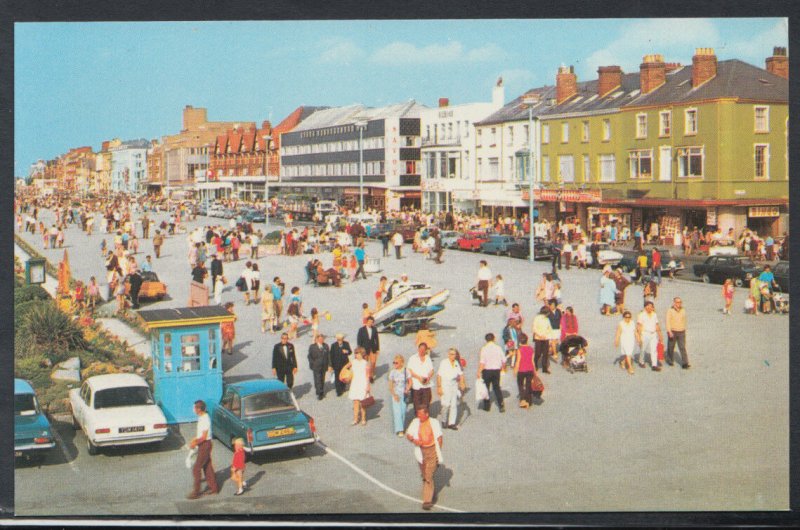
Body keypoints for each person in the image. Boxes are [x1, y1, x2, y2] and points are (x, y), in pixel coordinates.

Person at [405, 407, 444, 511]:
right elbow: (408, 434)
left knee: (428, 475)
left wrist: (437, 454)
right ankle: (430, 490)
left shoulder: (434, 423)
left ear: (426, 414)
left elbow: (440, 438)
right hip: (420, 452)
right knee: (425, 475)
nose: (419, 416)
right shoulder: (415, 422)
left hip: (432, 451)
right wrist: (414, 440)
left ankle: (427, 500)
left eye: (421, 414)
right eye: (418, 414)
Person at [187, 400, 219, 499]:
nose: (193, 410)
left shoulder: (205, 419)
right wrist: (195, 439)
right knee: (207, 467)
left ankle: (196, 492)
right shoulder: (201, 417)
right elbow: (200, 434)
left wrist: (195, 443)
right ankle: (214, 489)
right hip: (203, 444)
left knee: (196, 468)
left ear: (199, 409)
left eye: (194, 408)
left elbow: (204, 436)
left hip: (205, 444)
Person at [437, 348, 465, 430]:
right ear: (448, 354)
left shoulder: (456, 363)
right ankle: (444, 420)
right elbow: (439, 375)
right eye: (452, 354)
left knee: (454, 404)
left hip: (454, 385)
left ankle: (451, 423)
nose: (453, 356)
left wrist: (462, 383)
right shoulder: (444, 362)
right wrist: (439, 387)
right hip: (445, 384)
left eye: (454, 354)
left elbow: (461, 374)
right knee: (446, 404)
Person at [477, 333, 505, 412]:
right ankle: (501, 405)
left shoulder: (484, 349)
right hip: (496, 370)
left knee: (486, 388)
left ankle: (487, 406)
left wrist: (479, 371)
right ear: (494, 339)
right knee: (497, 388)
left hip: (487, 371)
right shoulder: (498, 348)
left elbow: (482, 362)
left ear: (486, 340)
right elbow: (504, 360)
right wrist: (502, 368)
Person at [345, 347, 371, 426]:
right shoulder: (353, 362)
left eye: (358, 353)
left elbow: (368, 375)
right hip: (355, 383)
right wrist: (347, 376)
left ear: (362, 354)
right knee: (355, 402)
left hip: (362, 383)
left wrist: (368, 386)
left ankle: (363, 418)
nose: (356, 355)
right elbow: (345, 368)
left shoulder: (365, 363)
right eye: (355, 353)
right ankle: (355, 419)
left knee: (363, 402)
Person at [636, 301, 664, 371]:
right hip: (645, 334)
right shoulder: (641, 315)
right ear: (645, 307)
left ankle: (654, 365)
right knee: (643, 349)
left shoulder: (654, 314)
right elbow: (639, 326)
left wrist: (660, 335)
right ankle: (641, 361)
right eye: (648, 306)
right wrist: (639, 338)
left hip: (653, 334)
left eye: (651, 306)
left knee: (654, 350)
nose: (650, 308)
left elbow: (656, 325)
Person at [407, 343, 434, 412]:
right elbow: (409, 371)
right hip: (416, 386)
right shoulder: (412, 358)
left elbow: (432, 370)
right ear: (418, 349)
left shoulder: (428, 358)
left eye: (423, 349)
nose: (421, 351)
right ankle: (418, 420)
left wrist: (429, 377)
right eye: (420, 349)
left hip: (426, 385)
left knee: (426, 404)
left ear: (426, 350)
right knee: (417, 405)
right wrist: (418, 377)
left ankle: (425, 420)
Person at [388, 355, 411, 436]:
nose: (395, 364)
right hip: (396, 393)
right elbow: (390, 385)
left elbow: (410, 382)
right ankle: (399, 430)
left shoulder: (406, 371)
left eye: (396, 363)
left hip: (404, 394)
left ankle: (402, 426)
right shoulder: (392, 372)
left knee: (403, 411)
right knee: (397, 412)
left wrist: (407, 389)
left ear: (401, 363)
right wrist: (394, 394)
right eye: (394, 362)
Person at [665, 297, 690, 369]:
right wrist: (669, 331)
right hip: (673, 331)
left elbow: (684, 320)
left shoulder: (683, 310)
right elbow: (667, 321)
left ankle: (685, 363)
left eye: (680, 302)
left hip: (681, 331)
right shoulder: (670, 311)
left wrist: (683, 328)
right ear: (674, 303)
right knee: (671, 346)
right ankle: (670, 360)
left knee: (682, 347)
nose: (679, 304)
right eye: (677, 302)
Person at [308, 333, 332, 400]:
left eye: (322, 339)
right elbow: (309, 356)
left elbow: (329, 356)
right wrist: (312, 364)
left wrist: (330, 365)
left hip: (324, 365)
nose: (321, 340)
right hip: (316, 366)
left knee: (322, 379)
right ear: (317, 339)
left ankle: (320, 389)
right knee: (317, 379)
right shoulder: (312, 346)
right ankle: (320, 393)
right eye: (320, 339)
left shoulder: (326, 346)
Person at [357, 316, 380, 383]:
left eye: (372, 322)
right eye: (369, 322)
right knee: (365, 363)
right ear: (367, 322)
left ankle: (371, 376)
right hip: (364, 349)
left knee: (373, 362)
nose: (370, 323)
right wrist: (360, 350)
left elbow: (377, 339)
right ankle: (365, 376)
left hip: (373, 348)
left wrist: (378, 349)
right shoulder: (361, 330)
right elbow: (359, 340)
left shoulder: (374, 329)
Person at [514, 334, 536, 407]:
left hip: (521, 370)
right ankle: (529, 401)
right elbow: (533, 361)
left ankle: (523, 400)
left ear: (520, 342)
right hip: (530, 369)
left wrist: (515, 370)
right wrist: (535, 371)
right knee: (528, 385)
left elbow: (518, 361)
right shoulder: (531, 349)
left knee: (520, 385)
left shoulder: (520, 350)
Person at [532, 306, 553, 374]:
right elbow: (534, 328)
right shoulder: (537, 318)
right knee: (538, 353)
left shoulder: (547, 319)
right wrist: (540, 335)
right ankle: (535, 365)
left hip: (546, 338)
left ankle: (545, 368)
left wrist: (548, 337)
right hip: (538, 338)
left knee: (545, 354)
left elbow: (550, 329)